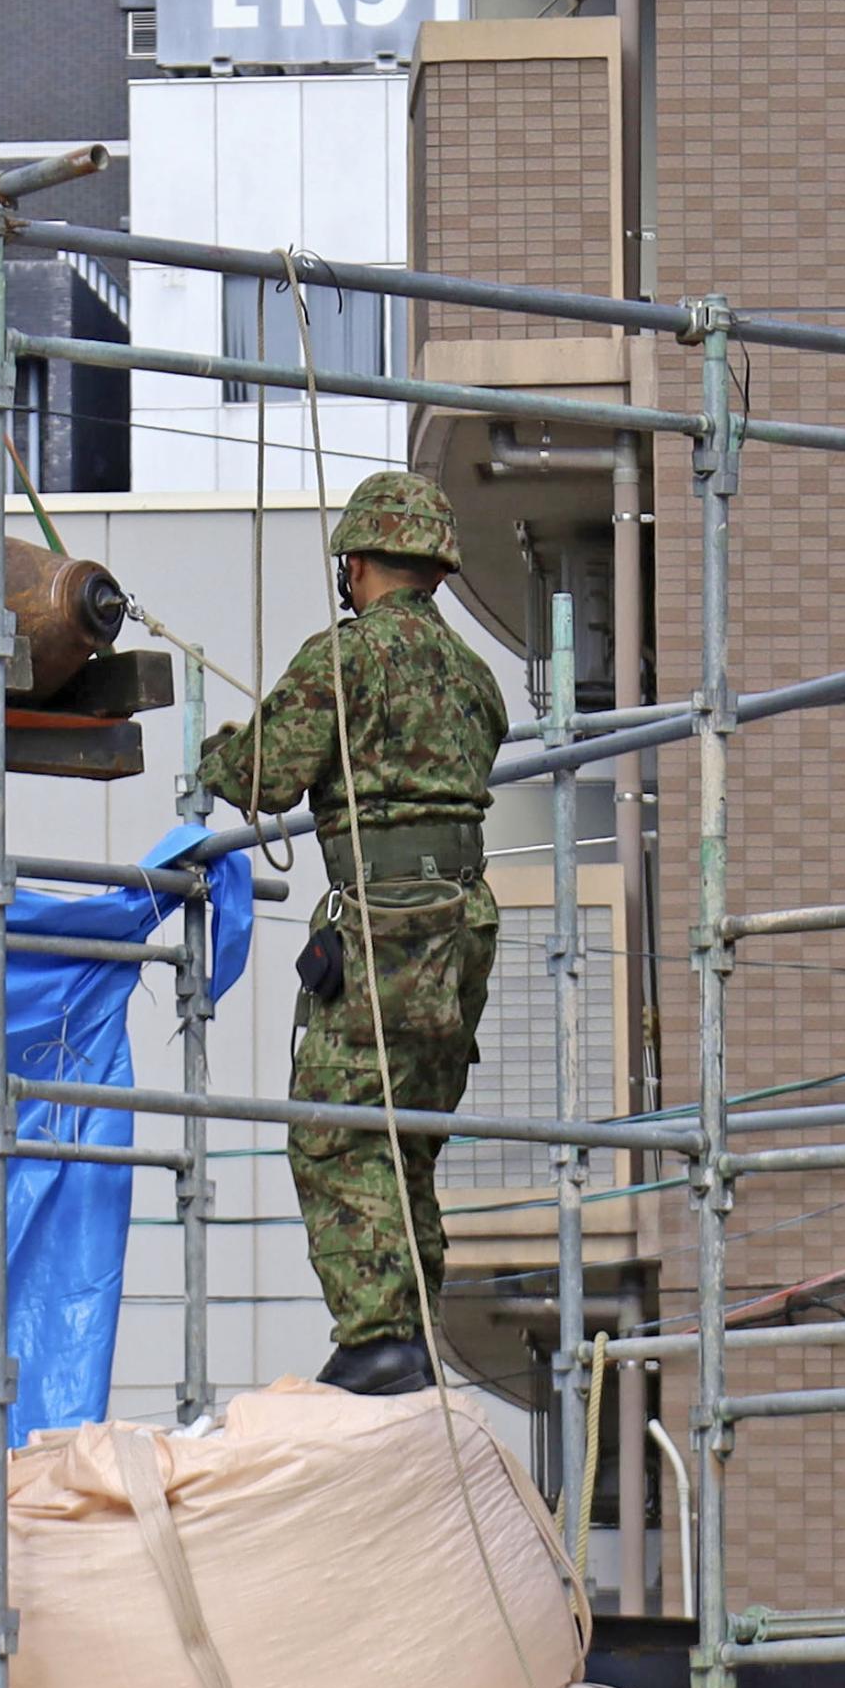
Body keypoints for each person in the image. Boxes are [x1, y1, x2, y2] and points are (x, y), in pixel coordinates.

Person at [195, 469, 507, 1396]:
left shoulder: (348, 659)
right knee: (403, 1131)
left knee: (334, 1128)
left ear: (357, 562)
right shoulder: (473, 674)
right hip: (464, 921)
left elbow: (267, 773)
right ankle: (408, 1326)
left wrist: (213, 753)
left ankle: (378, 1334)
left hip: (385, 914)